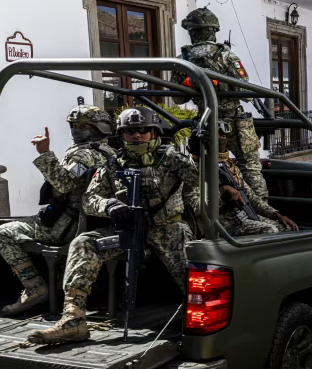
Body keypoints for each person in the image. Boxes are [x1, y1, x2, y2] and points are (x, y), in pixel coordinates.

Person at [27, 107, 199, 345]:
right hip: (127, 228)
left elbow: (199, 181)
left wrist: (199, 156)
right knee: (84, 243)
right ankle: (73, 320)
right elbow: (89, 199)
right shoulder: (113, 163)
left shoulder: (171, 158)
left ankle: (200, 322)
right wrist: (108, 205)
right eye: (130, 131)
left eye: (142, 130)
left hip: (168, 228)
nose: (136, 135)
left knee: (193, 271)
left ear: (153, 132)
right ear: (121, 134)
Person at [0, 105, 115, 315]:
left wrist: (44, 153)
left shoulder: (84, 155)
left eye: (83, 126)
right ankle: (59, 288)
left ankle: (34, 287)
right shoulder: (109, 152)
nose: (76, 130)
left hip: (66, 225)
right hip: (88, 224)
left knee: (1, 234)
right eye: (74, 125)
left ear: (99, 128)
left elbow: (63, 184)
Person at [172, 7, 274, 209]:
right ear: (213, 30)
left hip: (205, 122)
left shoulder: (183, 59)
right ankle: (263, 210)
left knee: (200, 168)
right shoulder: (226, 55)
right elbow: (244, 87)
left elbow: (177, 98)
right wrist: (219, 85)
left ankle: (209, 212)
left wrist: (195, 85)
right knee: (250, 167)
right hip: (234, 121)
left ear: (191, 31)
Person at [187, 123, 299, 236]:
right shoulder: (199, 165)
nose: (223, 136)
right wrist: (222, 191)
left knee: (287, 228)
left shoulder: (228, 165)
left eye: (224, 134)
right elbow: (199, 206)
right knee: (269, 230)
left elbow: (250, 196)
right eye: (218, 133)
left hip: (242, 215)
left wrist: (276, 215)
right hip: (221, 220)